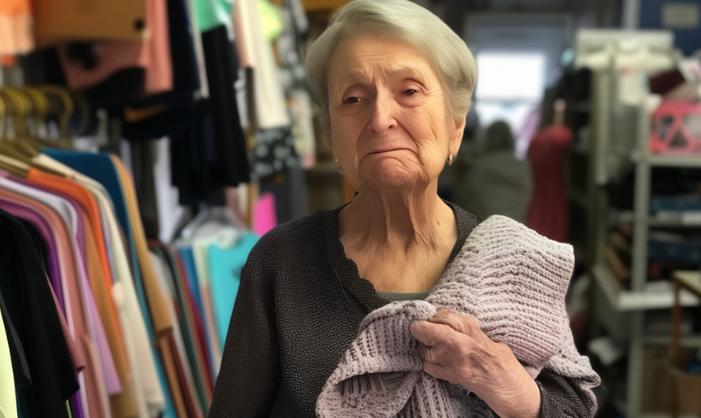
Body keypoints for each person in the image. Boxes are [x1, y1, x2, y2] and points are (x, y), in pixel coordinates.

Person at [208, 1, 599, 417]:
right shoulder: (281, 261)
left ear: (455, 126)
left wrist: (512, 388)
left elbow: (574, 408)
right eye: (353, 98)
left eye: (409, 91)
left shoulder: (518, 262)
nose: (380, 119)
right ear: (332, 134)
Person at [457, 121, 534, 222]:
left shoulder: (482, 166)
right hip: (517, 225)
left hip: (486, 225)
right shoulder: (523, 166)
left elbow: (464, 199)